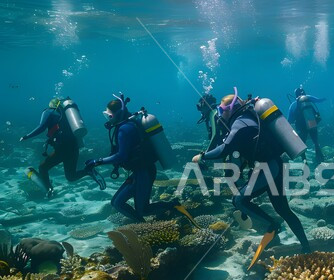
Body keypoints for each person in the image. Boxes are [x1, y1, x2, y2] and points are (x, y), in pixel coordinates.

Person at [192, 88, 311, 269]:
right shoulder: (246, 118)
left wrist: (202, 156)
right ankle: (306, 247)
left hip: (268, 167)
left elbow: (225, 149)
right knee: (283, 208)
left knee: (239, 200)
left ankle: (273, 225)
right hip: (273, 165)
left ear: (231, 109)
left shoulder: (240, 123)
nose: (220, 114)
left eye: (222, 110)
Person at [85, 94, 193, 223]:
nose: (108, 119)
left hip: (143, 172)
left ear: (117, 114)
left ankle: (173, 206)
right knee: (117, 202)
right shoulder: (129, 124)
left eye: (109, 116)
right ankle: (143, 224)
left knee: (143, 209)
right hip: (140, 171)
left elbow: (121, 156)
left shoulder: (125, 129)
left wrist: (97, 161)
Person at [20, 97, 103, 197]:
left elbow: (41, 127)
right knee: (71, 176)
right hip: (74, 147)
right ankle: (88, 171)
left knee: (43, 167)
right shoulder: (67, 116)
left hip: (62, 149)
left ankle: (49, 190)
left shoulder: (49, 111)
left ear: (51, 104)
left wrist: (26, 137)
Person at [287, 86, 325, 163]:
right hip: (312, 122)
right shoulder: (309, 98)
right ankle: (320, 158)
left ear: (295, 95)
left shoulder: (293, 105)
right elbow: (318, 100)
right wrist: (326, 98)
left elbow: (289, 120)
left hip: (301, 126)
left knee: (302, 144)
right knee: (316, 142)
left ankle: (304, 161)